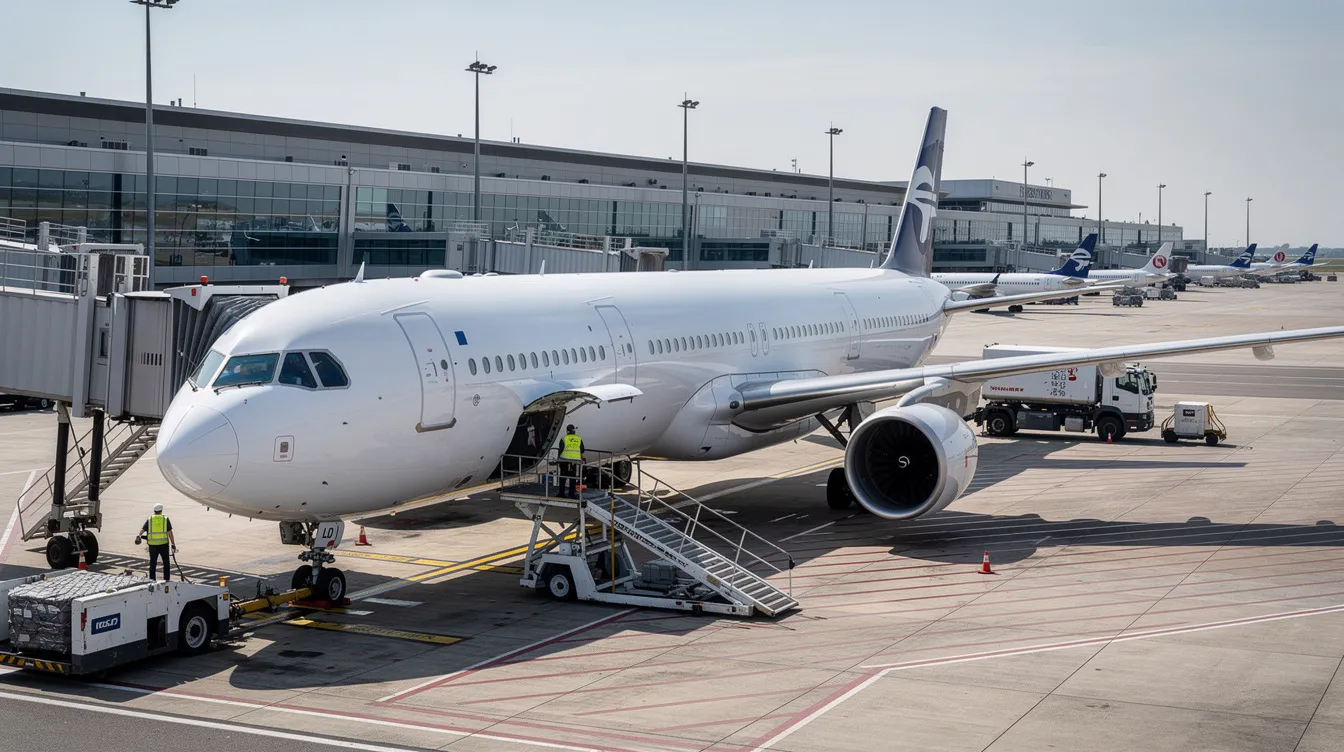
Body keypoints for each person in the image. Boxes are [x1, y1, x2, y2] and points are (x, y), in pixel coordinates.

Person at [136, 503, 177, 581]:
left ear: (154, 510)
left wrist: (138, 536)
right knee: (166, 563)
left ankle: (152, 580)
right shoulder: (165, 519)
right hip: (163, 545)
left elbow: (143, 530)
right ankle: (166, 579)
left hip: (152, 545)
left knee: (152, 564)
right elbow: (170, 532)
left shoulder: (150, 519)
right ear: (161, 511)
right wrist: (173, 543)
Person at [558, 424, 585, 499]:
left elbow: (560, 450)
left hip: (564, 460)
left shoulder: (564, 439)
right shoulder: (578, 439)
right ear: (574, 431)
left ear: (567, 431)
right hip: (574, 461)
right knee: (572, 477)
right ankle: (572, 494)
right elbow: (582, 449)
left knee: (563, 477)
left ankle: (561, 493)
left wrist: (558, 460)